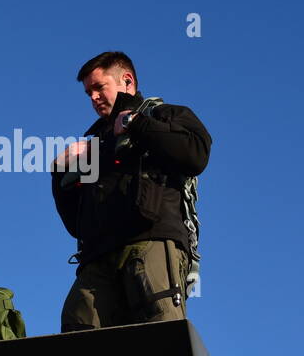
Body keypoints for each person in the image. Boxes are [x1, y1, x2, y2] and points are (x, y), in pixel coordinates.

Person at [51, 51, 211, 331]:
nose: (93, 98)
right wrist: (59, 173)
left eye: (99, 87)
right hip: (97, 258)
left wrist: (135, 123)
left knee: (160, 334)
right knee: (76, 330)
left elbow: (196, 154)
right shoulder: (94, 146)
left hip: (151, 241)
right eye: (88, 92)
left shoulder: (164, 114)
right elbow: (75, 225)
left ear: (127, 80)